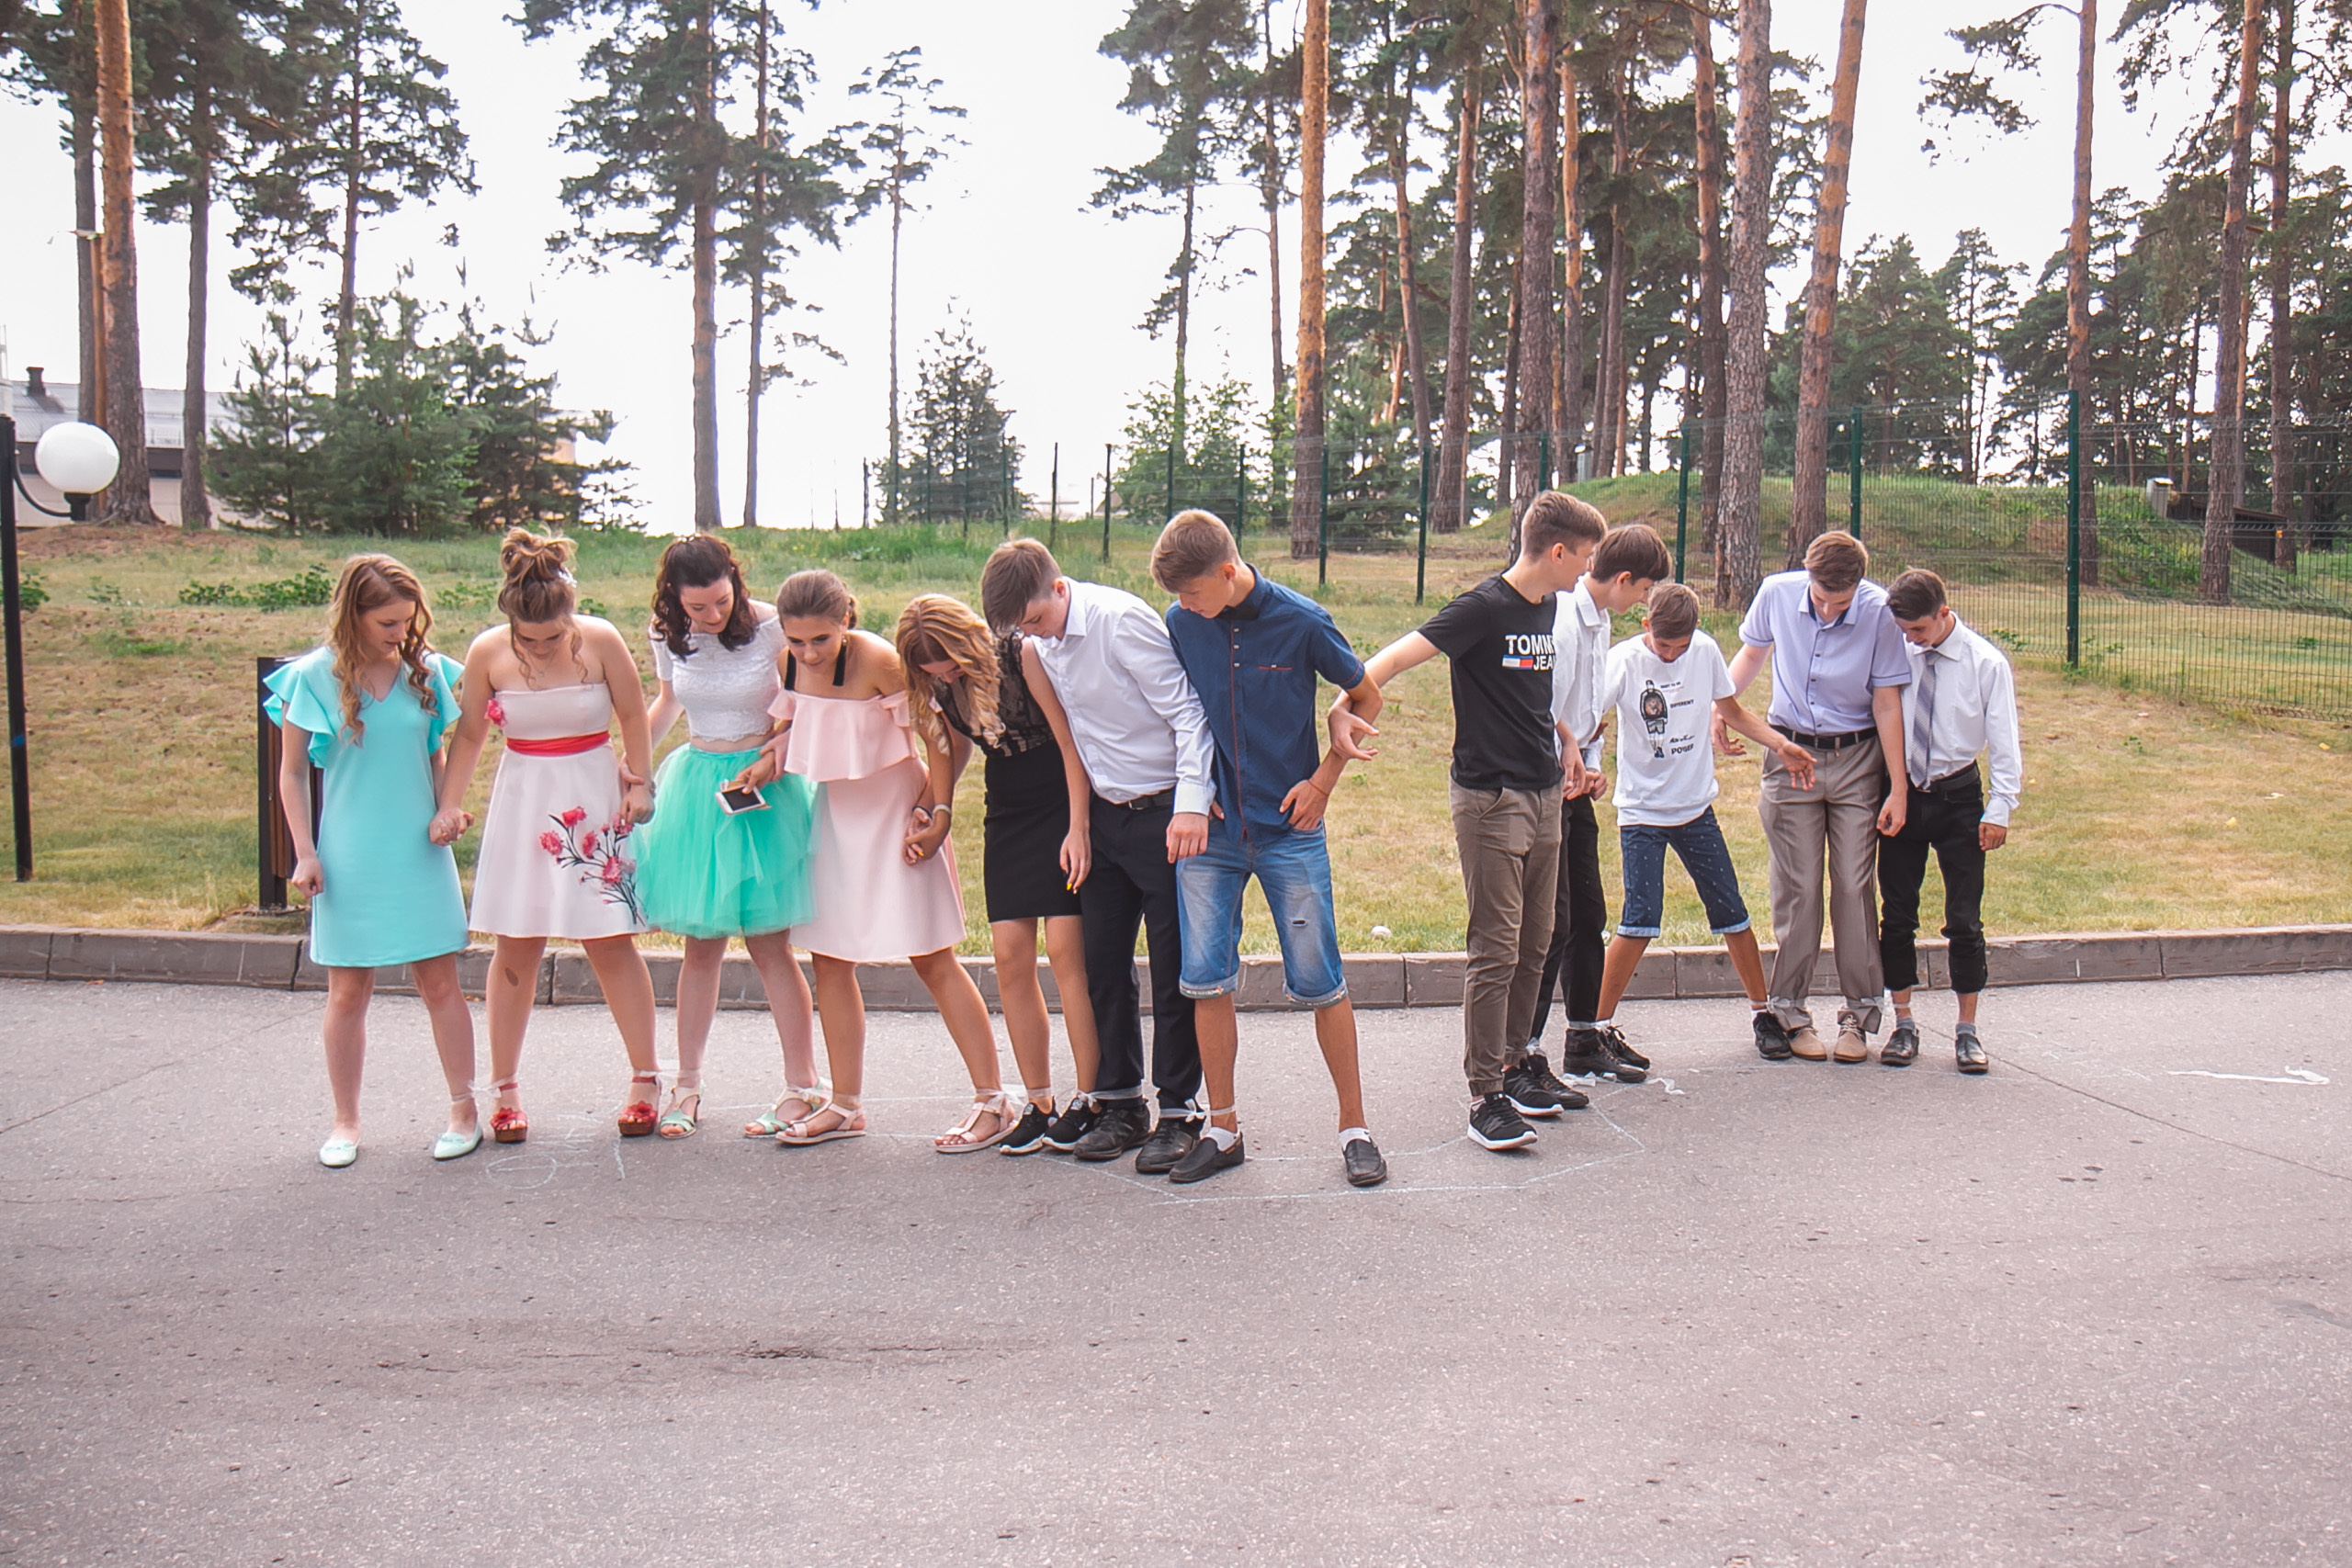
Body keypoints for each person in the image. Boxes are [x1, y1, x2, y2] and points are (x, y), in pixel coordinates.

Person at [1329, 491, 1607, 1154]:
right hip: (1491, 799)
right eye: (1586, 558)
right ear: (1558, 550)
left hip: (1545, 794)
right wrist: (1344, 704)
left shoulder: (1549, 605)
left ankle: (1515, 1067)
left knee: (1539, 941)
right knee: (1497, 946)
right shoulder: (1483, 608)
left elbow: (1530, 690)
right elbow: (1393, 658)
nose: (1587, 573)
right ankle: (1485, 1093)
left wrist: (1565, 736)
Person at [732, 570, 1012, 1150]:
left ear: (846, 622)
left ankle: (994, 1100)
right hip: (835, 817)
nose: (807, 652)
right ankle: (845, 1105)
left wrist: (936, 813)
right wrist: (767, 761)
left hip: (894, 812)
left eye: (820, 640)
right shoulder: (788, 663)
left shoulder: (883, 661)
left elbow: (941, 739)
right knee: (830, 961)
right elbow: (798, 727)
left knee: (932, 957)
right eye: (796, 640)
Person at [1152, 512, 1388, 1188]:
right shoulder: (1179, 622)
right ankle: (1222, 1127)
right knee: (1205, 977)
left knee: (1321, 978)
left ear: (1227, 572)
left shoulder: (1302, 620)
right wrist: (1193, 794)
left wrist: (1324, 782)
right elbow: (1180, 712)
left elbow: (1365, 692)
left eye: (1193, 592)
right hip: (1214, 835)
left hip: (1291, 831)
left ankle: (1355, 1128)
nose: (1184, 606)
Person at [978, 538, 1214, 1174]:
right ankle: (1119, 1101)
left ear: (1058, 589)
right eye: (1021, 630)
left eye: (1034, 619)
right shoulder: (1040, 646)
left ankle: (1180, 1110)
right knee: (1102, 964)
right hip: (1105, 820)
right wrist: (1080, 824)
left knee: (1172, 971)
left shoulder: (1118, 621)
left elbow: (1187, 712)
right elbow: (1073, 738)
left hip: (1165, 814)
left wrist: (1192, 802)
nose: (1032, 636)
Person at [436, 529, 662, 1141]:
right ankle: (505, 1088)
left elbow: (633, 714)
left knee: (611, 940)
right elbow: (468, 737)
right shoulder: (488, 653)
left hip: (591, 797)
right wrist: (449, 804)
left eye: (552, 636)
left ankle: (646, 1077)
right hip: (524, 799)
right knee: (516, 944)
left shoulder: (602, 639)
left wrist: (638, 783)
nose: (539, 647)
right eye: (527, 639)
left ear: (570, 614)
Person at [267, 555, 480, 1168]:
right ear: (354, 614)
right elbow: (290, 773)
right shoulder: (311, 676)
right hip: (349, 853)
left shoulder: (428, 671)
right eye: (387, 622)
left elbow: (439, 754)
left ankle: (463, 1109)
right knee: (347, 992)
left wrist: (449, 809)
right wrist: (305, 853)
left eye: (407, 621)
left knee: (440, 983)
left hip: (418, 848)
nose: (400, 633)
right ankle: (345, 1120)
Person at [897, 593, 1104, 1155]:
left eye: (947, 661)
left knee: (1066, 953)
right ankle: (1039, 1103)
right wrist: (937, 811)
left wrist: (1079, 828)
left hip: (1061, 800)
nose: (942, 674)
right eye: (929, 668)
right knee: (1010, 955)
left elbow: (1068, 740)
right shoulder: (936, 681)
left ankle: (1092, 1099)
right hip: (1007, 809)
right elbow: (958, 748)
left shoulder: (1019, 653)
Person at [631, 534, 820, 1139]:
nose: (713, 615)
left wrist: (774, 750)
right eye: (699, 608)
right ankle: (687, 1085)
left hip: (761, 786)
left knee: (770, 945)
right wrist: (635, 760)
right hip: (697, 787)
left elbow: (800, 703)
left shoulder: (770, 628)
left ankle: (801, 1085)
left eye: (721, 600)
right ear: (676, 601)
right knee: (701, 945)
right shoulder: (666, 635)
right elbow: (665, 701)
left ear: (734, 581)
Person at [1587, 582, 1818, 1062]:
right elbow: (1590, 715)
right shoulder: (1625, 660)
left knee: (1732, 911)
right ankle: (1595, 1027)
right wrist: (1588, 761)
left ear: (1697, 634)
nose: (1671, 655)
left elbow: (1730, 710)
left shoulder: (1706, 651)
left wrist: (1779, 744)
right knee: (1640, 920)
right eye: (1663, 645)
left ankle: (1763, 1012)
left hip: (1695, 809)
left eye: (1681, 646)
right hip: (1643, 814)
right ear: (1646, 625)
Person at [1714, 530, 1910, 1065]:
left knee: (1853, 884)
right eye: (1820, 598)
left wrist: (1898, 785)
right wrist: (1722, 705)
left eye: (1839, 602)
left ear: (1859, 587)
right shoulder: (1777, 593)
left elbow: (1888, 702)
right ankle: (1790, 1013)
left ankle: (1859, 1016)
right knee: (1797, 888)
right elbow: (1752, 656)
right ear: (1807, 575)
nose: (1827, 610)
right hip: (1790, 753)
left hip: (1856, 761)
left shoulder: (1879, 611)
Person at [1530, 523, 1672, 1088]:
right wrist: (1566, 760)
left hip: (1575, 782)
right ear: (1623, 579)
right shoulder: (1565, 620)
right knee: (1553, 924)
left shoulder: (1601, 618)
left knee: (1588, 915)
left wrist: (1593, 760)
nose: (1643, 601)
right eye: (1642, 590)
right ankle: (1527, 1051)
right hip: (1546, 783)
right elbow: (1541, 705)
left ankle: (1584, 1037)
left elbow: (1588, 707)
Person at [1876, 570, 2021, 1075]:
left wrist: (2000, 808)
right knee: (1897, 913)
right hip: (1903, 794)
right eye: (1904, 632)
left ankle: (1967, 1029)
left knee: (1964, 916)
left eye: (1918, 630)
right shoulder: (1897, 654)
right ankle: (1904, 1020)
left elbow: (2004, 740)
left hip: (1959, 796)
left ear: (1943, 613)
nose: (1911, 640)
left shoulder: (1985, 663)